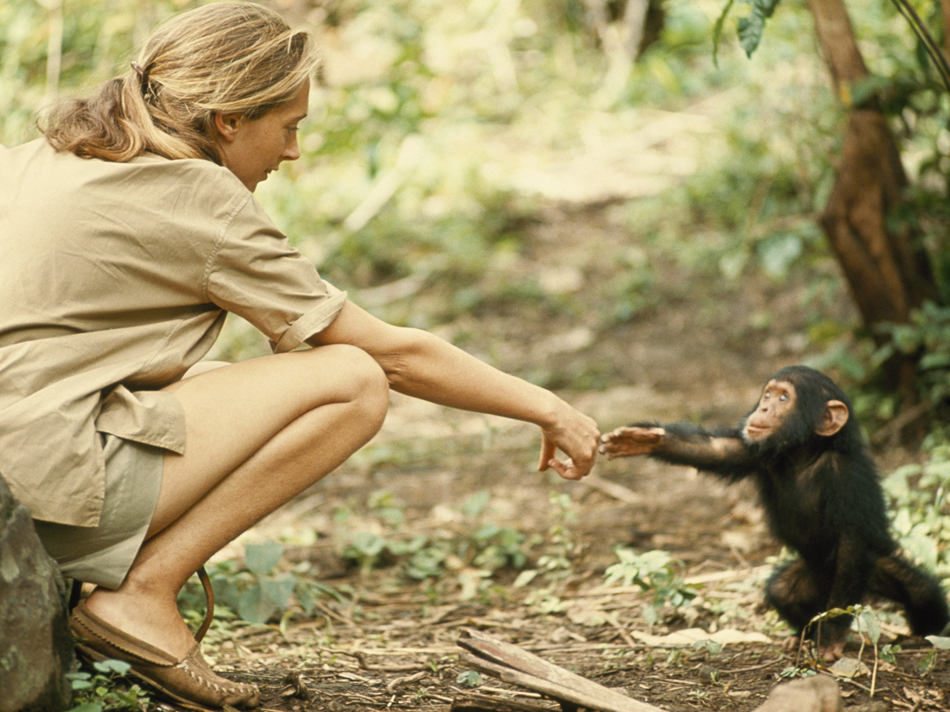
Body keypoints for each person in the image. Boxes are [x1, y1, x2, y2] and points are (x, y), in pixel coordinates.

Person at [0, 3, 600, 709]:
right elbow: (392, 356)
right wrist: (547, 407)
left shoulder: (44, 155)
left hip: (19, 460)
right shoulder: (196, 195)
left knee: (229, 381)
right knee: (350, 381)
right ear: (229, 121)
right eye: (288, 128)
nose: (292, 153)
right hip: (40, 488)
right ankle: (140, 598)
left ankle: (131, 597)